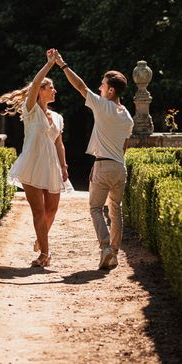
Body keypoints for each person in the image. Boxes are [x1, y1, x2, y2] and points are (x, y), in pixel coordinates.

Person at [52, 50, 134, 269]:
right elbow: (124, 146)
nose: (99, 88)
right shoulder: (127, 115)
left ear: (111, 90)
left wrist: (62, 65)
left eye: (102, 85)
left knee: (95, 208)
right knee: (116, 209)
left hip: (104, 165)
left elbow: (80, 86)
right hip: (120, 167)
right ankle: (114, 253)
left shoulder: (103, 106)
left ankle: (106, 247)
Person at [0, 49, 73, 268]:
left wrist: (64, 166)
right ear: (40, 91)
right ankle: (45, 254)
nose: (54, 90)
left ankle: (41, 239)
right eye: (51, 87)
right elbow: (38, 79)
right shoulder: (30, 110)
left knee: (52, 209)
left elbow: (59, 143)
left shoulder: (58, 117)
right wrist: (50, 64)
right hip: (31, 164)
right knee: (38, 210)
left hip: (52, 167)